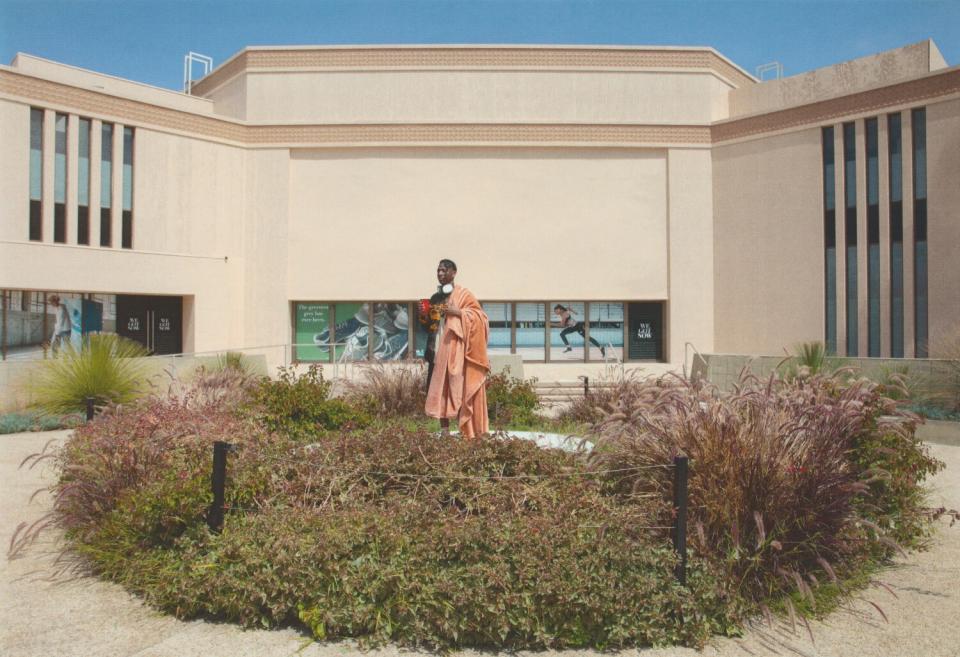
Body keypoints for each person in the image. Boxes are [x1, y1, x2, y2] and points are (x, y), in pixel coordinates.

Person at [424, 259, 490, 438]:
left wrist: (459, 313)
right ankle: (444, 430)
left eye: (444, 271)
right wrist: (424, 320)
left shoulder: (463, 294)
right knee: (440, 389)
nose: (440, 274)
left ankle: (466, 428)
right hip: (438, 350)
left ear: (454, 272)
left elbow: (480, 317)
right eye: (438, 271)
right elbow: (430, 325)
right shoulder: (435, 298)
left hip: (458, 350)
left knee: (459, 386)